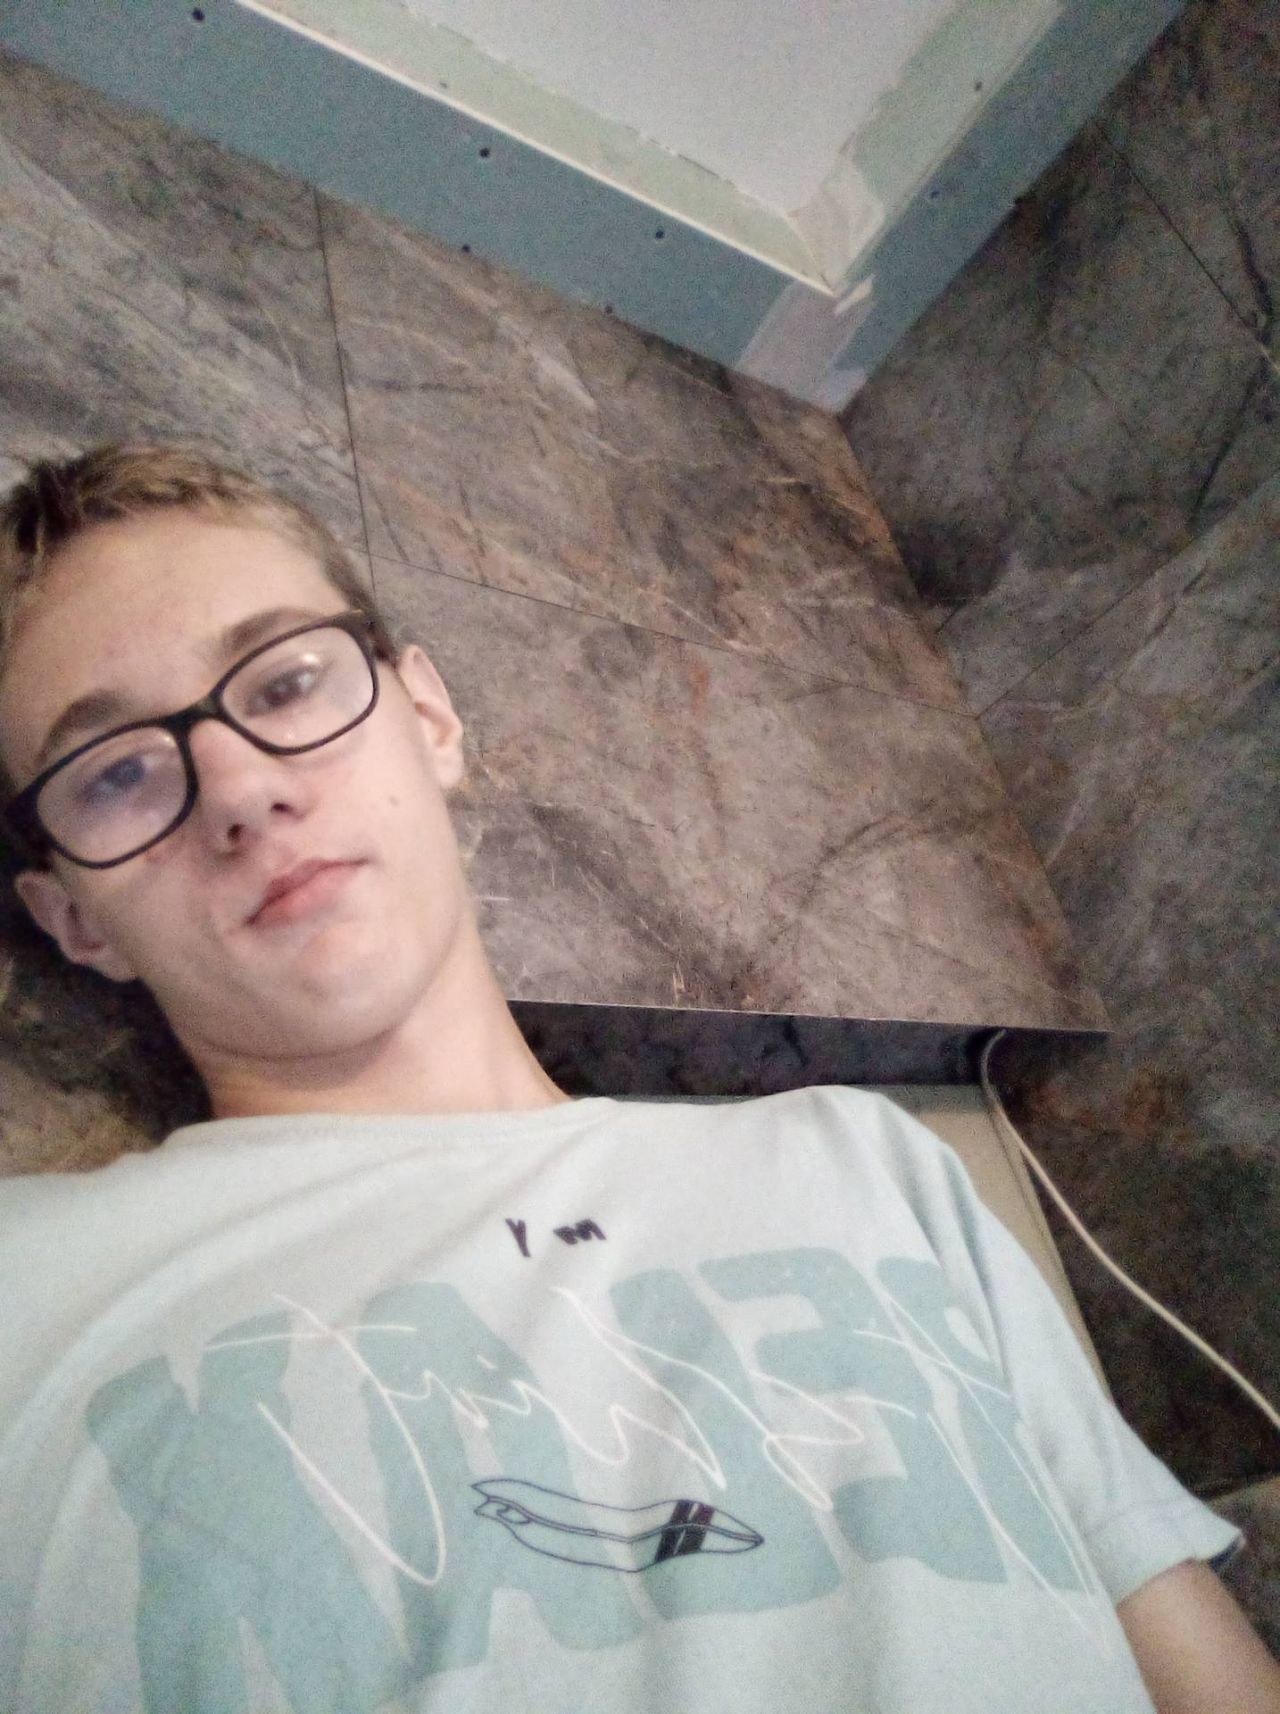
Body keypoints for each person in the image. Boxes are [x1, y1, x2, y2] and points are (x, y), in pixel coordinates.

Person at [0, 442, 1274, 1714]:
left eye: (285, 681)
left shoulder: (869, 1160)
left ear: (428, 718)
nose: (238, 788)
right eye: (115, 775)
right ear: (73, 919)